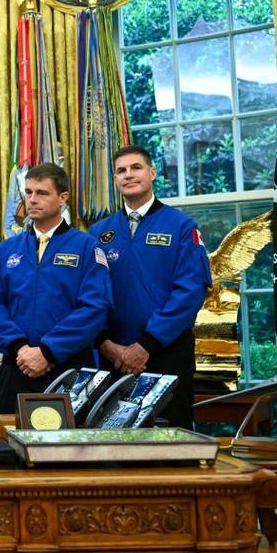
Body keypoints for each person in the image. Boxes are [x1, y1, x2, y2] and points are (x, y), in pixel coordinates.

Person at [89, 145, 211, 428]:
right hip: (112, 358)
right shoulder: (99, 233)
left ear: (152, 173)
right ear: (115, 179)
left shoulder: (181, 226)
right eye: (121, 171)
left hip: (166, 354)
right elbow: (89, 293)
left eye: (136, 167)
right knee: (113, 442)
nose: (128, 175)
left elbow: (191, 290)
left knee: (169, 440)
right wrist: (104, 343)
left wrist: (148, 344)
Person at [0, 163, 112, 413]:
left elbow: (95, 307)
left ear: (63, 198)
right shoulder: (8, 249)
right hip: (17, 366)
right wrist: (20, 348)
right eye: (28, 192)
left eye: (42, 193)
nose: (32, 200)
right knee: (8, 436)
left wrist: (48, 352)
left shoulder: (87, 246)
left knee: (72, 438)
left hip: (69, 368)